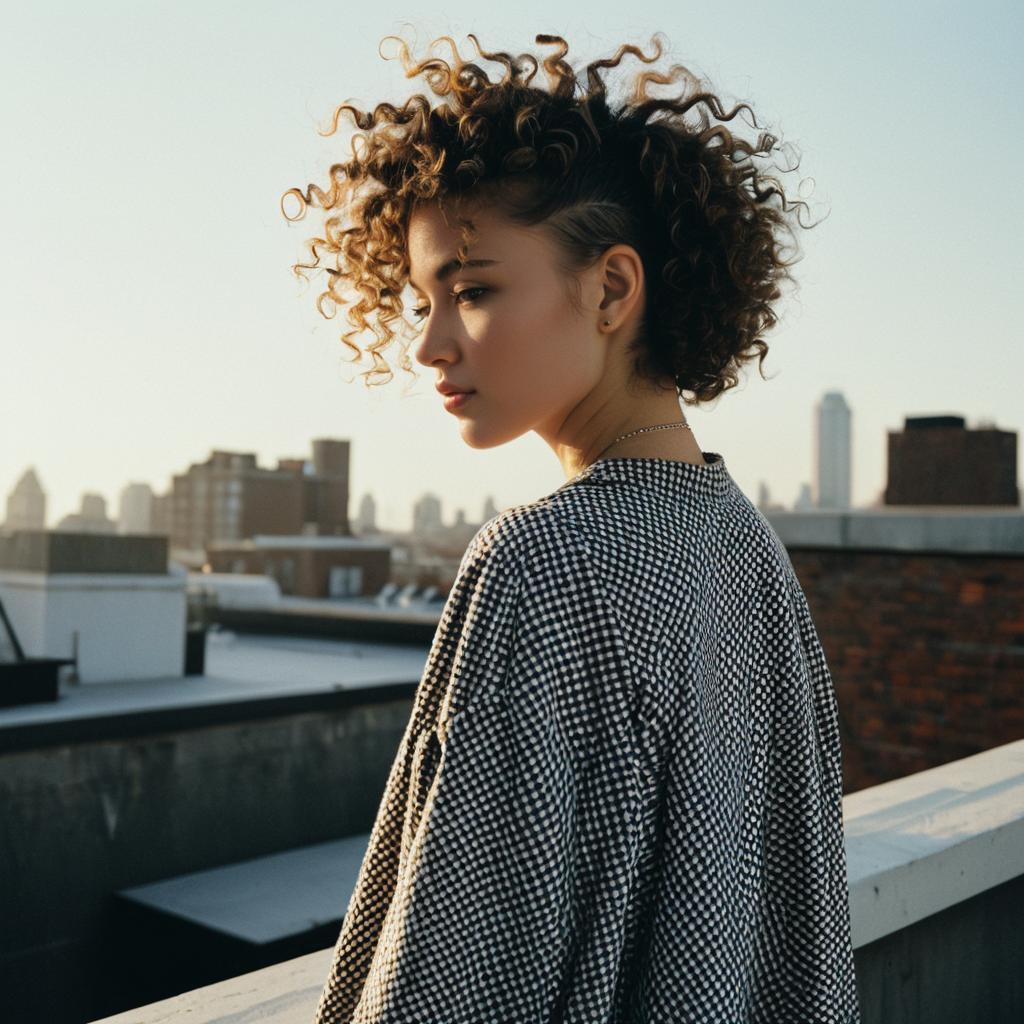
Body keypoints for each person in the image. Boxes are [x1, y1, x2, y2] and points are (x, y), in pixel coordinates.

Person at [283, 30, 860, 1024]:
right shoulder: (743, 542)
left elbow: (451, 980)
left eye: (473, 291)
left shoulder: (548, 560)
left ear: (611, 289)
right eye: (422, 300)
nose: (426, 343)